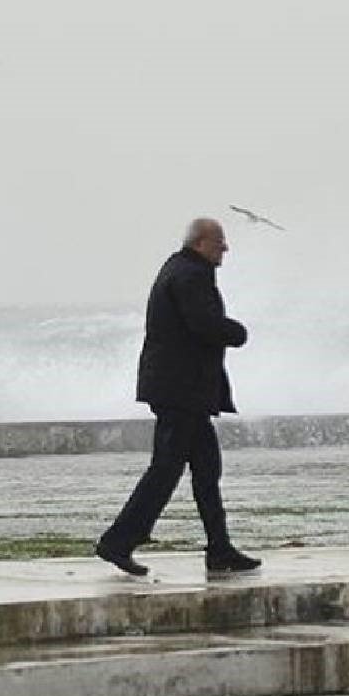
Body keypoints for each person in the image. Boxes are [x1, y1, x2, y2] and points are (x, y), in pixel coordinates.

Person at [95, 217, 261, 576]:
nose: (225, 249)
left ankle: (219, 548)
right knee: (166, 470)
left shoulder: (181, 268)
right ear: (201, 243)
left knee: (205, 470)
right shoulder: (190, 275)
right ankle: (118, 541)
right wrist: (237, 332)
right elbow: (203, 324)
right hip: (181, 392)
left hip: (183, 391)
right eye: (220, 242)